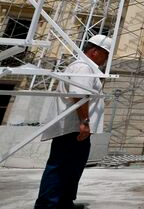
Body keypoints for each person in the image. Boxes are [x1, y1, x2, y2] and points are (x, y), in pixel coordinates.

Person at [35, 35, 111, 209]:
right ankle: (47, 205)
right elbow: (79, 94)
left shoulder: (88, 68)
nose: (106, 59)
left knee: (73, 168)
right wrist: (84, 122)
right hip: (73, 128)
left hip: (78, 129)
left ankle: (64, 201)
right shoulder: (82, 67)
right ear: (94, 52)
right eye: (106, 54)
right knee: (60, 167)